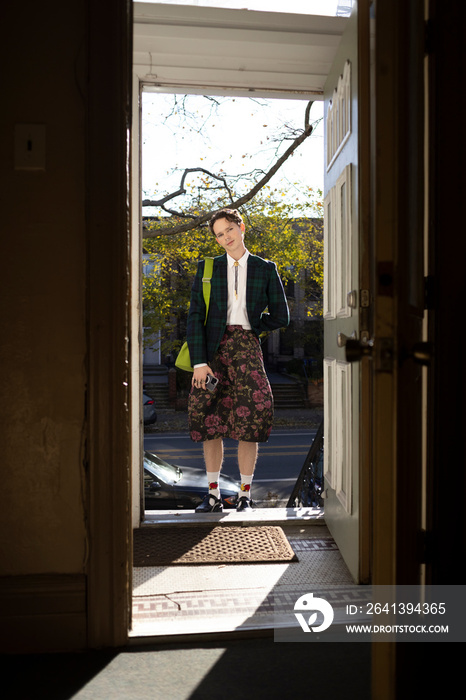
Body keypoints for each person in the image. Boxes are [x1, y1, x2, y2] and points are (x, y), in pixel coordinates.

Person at [186, 208, 289, 512]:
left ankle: (245, 494)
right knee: (209, 418)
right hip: (211, 349)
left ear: (241, 227)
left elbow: (281, 315)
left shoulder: (265, 268)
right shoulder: (207, 268)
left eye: (229, 229)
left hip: (246, 345)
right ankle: (214, 495)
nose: (225, 237)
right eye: (219, 234)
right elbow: (194, 317)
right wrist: (199, 362)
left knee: (252, 416)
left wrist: (254, 325)